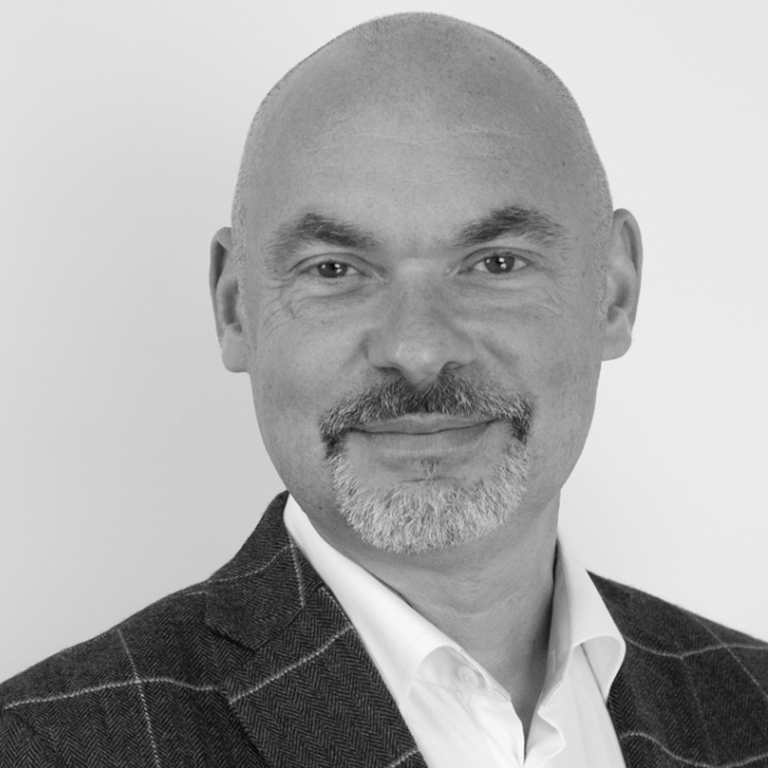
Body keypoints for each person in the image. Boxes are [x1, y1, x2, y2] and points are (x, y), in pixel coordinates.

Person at [2, 11, 767, 767]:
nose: (419, 350)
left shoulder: (753, 704)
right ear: (236, 309)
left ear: (615, 291)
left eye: (496, 262)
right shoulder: (47, 748)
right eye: (335, 270)